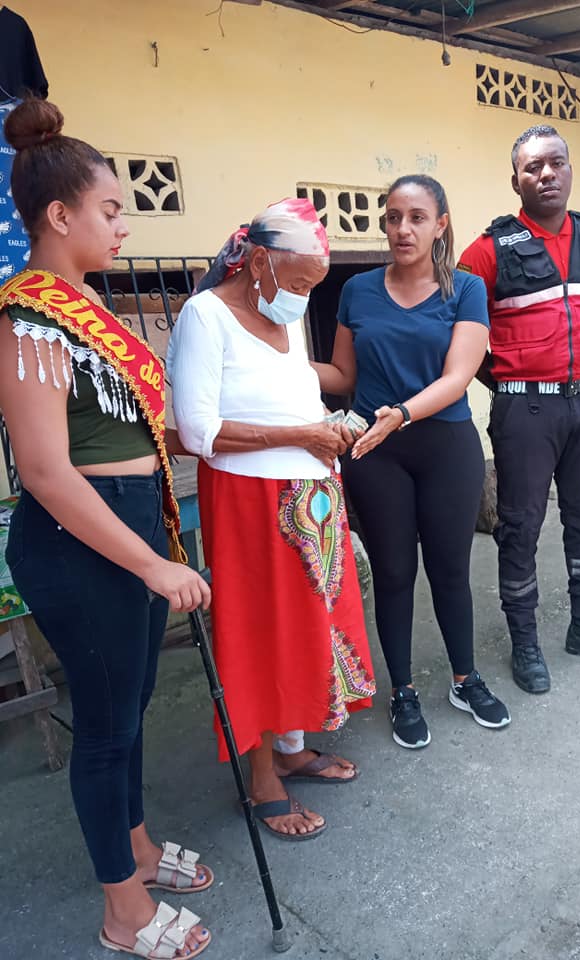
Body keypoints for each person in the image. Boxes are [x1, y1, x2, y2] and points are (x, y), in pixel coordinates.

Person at [0, 99, 213, 958]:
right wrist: (154, 564)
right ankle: (123, 912)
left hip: (124, 528)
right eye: (112, 209)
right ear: (60, 216)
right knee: (105, 725)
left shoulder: (80, 304)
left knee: (128, 706)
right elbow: (46, 472)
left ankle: (138, 850)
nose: (124, 226)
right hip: (79, 542)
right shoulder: (29, 318)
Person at [167, 198, 376, 840]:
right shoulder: (206, 316)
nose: (304, 297)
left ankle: (290, 749)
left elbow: (294, 401)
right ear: (259, 261)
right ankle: (261, 777)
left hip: (311, 501)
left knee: (306, 629)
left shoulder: (284, 314)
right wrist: (302, 436)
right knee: (258, 631)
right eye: (301, 282)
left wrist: (327, 432)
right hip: (250, 506)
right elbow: (197, 431)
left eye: (314, 286)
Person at [313, 174, 510, 751]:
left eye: (417, 217)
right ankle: (402, 690)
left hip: (445, 447)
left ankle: (465, 679)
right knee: (394, 574)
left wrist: (400, 413)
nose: (403, 229)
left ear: (440, 225)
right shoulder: (357, 290)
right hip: (376, 454)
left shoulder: (465, 289)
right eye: (393, 217)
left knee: (450, 571)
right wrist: (270, 360)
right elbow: (342, 376)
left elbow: (458, 377)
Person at [458, 124, 580, 695]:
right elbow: (461, 336)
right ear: (515, 179)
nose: (546, 174)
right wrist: (509, 380)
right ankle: (526, 642)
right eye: (532, 167)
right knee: (519, 527)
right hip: (525, 411)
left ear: (569, 169)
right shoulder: (486, 252)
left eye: (556, 163)